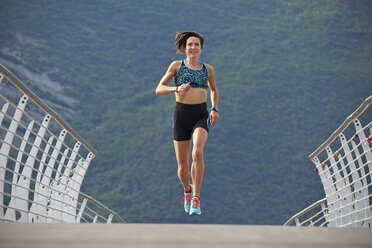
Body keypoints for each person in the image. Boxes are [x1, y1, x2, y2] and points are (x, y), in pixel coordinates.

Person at [155, 31, 219, 215]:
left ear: (201, 48)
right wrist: (176, 88)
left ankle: (197, 198)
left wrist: (215, 108)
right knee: (182, 169)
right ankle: (187, 191)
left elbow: (214, 89)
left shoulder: (208, 69)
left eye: (196, 45)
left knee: (197, 152)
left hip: (201, 114)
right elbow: (159, 88)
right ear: (185, 47)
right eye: (190, 44)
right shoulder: (176, 66)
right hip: (181, 115)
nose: (193, 48)